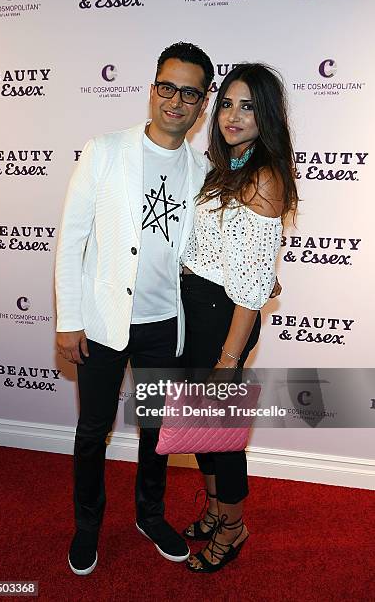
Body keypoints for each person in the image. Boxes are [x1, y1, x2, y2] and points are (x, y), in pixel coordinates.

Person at [55, 42, 215, 575]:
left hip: (165, 327)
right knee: (91, 430)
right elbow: (72, 238)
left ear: (202, 103)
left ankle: (150, 515)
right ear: (152, 89)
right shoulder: (104, 149)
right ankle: (87, 526)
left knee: (156, 432)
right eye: (167, 87)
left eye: (190, 92)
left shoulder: (203, 168)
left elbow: (210, 248)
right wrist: (68, 320)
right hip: (101, 323)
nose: (176, 101)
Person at [181, 62, 298, 573]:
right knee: (200, 428)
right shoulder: (226, 165)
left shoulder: (263, 176)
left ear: (266, 115)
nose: (233, 115)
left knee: (221, 434)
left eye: (247, 105)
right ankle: (213, 510)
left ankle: (233, 525)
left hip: (221, 320)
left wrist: (229, 360)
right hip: (196, 310)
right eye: (226, 102)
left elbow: (251, 287)